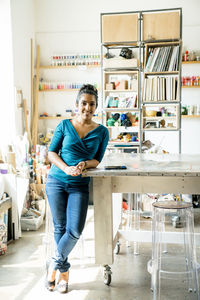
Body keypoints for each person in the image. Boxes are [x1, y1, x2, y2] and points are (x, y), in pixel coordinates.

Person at [45, 84, 109, 293]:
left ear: (96, 107)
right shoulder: (64, 125)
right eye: (84, 103)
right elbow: (51, 153)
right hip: (56, 182)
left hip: (79, 186)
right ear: (77, 104)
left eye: (92, 104)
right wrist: (66, 167)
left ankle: (53, 265)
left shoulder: (102, 131)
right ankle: (63, 275)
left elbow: (96, 160)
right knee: (60, 228)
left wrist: (83, 164)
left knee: (74, 231)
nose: (87, 108)